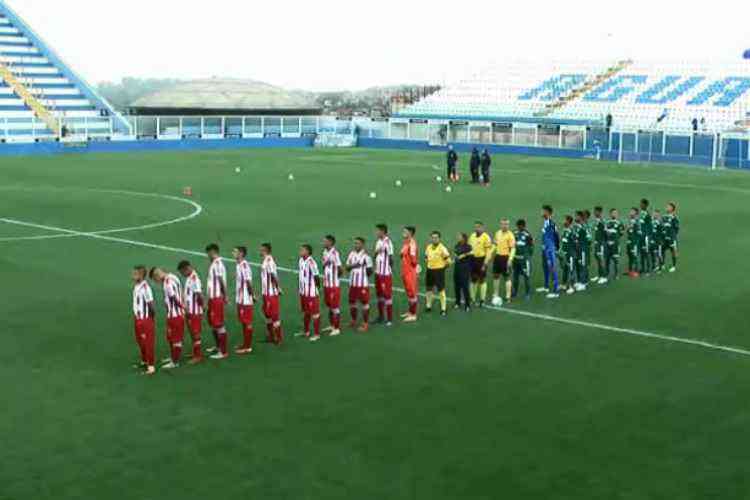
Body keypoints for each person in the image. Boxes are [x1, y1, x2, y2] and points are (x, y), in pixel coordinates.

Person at [149, 267, 184, 370]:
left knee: (175, 339)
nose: (157, 282)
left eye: (155, 279)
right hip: (174, 314)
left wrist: (182, 307)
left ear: (157, 275)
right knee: (171, 337)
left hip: (175, 315)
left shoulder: (167, 282)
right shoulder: (173, 276)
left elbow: (173, 297)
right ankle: (173, 357)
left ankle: (175, 362)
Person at [205, 243, 229, 360]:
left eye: (208, 253)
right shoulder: (214, 264)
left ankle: (223, 351)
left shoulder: (217, 264)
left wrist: (225, 296)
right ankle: (218, 346)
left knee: (219, 324)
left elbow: (220, 280)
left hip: (216, 298)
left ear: (213, 252)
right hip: (212, 298)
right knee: (213, 323)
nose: (207, 255)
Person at [178, 260, 204, 364]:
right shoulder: (190, 278)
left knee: (196, 333)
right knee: (192, 332)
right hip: (190, 311)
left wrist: (202, 306)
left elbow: (199, 295)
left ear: (187, 268)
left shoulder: (194, 278)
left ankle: (198, 356)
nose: (182, 275)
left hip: (195, 311)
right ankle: (195, 352)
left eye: (182, 272)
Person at [131, 265, 156, 376]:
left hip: (145, 320)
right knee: (140, 341)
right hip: (138, 319)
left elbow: (151, 305)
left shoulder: (146, 287)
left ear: (141, 275)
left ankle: (151, 366)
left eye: (135, 273)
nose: (133, 275)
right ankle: (144, 360)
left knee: (147, 342)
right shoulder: (137, 286)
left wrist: (150, 320)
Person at [346, 237, 374, 332]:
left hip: (362, 284)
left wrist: (363, 275)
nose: (356, 245)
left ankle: (365, 323)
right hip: (352, 283)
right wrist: (354, 265)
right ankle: (353, 320)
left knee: (364, 303)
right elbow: (347, 267)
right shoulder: (351, 254)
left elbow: (370, 271)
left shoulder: (366, 256)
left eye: (358, 243)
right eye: (355, 243)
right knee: (352, 302)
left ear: (362, 245)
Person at [260, 243, 284, 345]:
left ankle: (278, 338)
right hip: (266, 293)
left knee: (274, 316)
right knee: (267, 315)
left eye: (261, 249)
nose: (260, 251)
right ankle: (270, 336)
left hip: (271, 293)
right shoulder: (265, 260)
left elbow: (273, 276)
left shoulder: (269, 261)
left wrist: (278, 288)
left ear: (265, 250)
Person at [233, 246, 255, 355]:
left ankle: (248, 347)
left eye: (235, 252)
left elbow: (248, 282)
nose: (233, 253)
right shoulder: (239, 265)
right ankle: (245, 344)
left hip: (245, 299)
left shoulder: (244, 266)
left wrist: (252, 295)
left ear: (241, 253)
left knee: (247, 322)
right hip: (241, 299)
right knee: (244, 322)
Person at [298, 244, 322, 342]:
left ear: (307, 251)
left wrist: (317, 288)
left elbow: (316, 276)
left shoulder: (311, 262)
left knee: (315, 313)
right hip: (303, 291)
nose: (300, 251)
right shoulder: (300, 260)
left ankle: (317, 334)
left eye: (302, 250)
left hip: (311, 292)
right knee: (306, 312)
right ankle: (306, 331)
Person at [424, 231, 451, 316]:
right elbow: (426, 257)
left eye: (436, 237)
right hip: (430, 270)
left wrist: (444, 267)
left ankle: (443, 308)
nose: (434, 239)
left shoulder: (442, 248)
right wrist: (428, 262)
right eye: (433, 237)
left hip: (439, 271)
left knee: (441, 290)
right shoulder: (428, 247)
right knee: (429, 289)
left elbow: (448, 261)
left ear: (439, 238)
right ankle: (428, 306)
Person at [490, 218, 516, 305]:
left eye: (506, 224)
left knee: (507, 277)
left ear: (508, 225)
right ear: (501, 224)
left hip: (506, 257)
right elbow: (495, 245)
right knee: (496, 276)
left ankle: (508, 296)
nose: (504, 226)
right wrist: (490, 254)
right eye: (503, 224)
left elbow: (513, 249)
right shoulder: (497, 233)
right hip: (498, 257)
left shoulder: (510, 235)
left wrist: (510, 259)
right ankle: (495, 294)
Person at [321, 235, 343, 336]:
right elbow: (324, 265)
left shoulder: (335, 253)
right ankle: (331, 325)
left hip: (333, 285)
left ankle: (337, 328)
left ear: (330, 242)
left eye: (325, 241)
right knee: (329, 305)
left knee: (335, 306)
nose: (323, 243)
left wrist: (335, 278)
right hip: (326, 284)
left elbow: (340, 269)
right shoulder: (325, 252)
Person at [374, 224, 395, 326]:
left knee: (387, 295)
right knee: (379, 295)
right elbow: (375, 255)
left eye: (378, 231)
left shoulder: (388, 242)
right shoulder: (378, 241)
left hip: (385, 273)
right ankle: (381, 316)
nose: (376, 232)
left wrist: (389, 269)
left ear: (383, 231)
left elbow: (391, 258)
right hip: (378, 272)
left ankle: (389, 319)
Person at [468, 222, 492, 307]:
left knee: (482, 280)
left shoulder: (486, 237)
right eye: (476, 227)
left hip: (481, 260)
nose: (477, 229)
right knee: (473, 279)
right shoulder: (472, 236)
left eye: (479, 227)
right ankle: (472, 298)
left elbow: (489, 252)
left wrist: (485, 263)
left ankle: (482, 299)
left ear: (482, 228)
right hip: (473, 260)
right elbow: (469, 248)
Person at [539, 205, 560, 298]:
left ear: (548, 213)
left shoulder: (551, 224)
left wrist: (555, 248)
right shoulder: (545, 222)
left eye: (543, 211)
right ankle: (546, 286)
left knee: (552, 268)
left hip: (550, 249)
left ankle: (556, 291)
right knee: (545, 267)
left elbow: (556, 236)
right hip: (545, 249)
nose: (542, 212)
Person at [400, 226, 420, 322]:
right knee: (408, 292)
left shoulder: (412, 243)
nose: (403, 232)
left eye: (405, 231)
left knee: (412, 292)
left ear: (410, 233)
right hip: (405, 270)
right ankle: (410, 311)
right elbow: (402, 254)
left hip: (410, 271)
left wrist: (415, 268)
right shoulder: (406, 242)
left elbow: (413, 259)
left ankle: (413, 314)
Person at [512, 219, 534, 300]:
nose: (520, 227)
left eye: (521, 226)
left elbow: (531, 247)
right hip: (516, 259)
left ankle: (527, 293)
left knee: (526, 276)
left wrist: (527, 256)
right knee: (515, 276)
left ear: (524, 226)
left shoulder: (527, 235)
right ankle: (514, 292)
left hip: (524, 260)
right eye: (518, 226)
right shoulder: (514, 234)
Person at [602, 209, 624, 283]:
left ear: (617, 214)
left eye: (616, 213)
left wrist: (615, 238)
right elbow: (604, 233)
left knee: (616, 259)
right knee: (607, 260)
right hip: (608, 244)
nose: (614, 214)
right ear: (610, 214)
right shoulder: (607, 223)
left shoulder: (620, 223)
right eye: (613, 213)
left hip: (615, 244)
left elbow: (621, 233)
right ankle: (606, 274)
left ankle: (616, 274)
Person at [453, 233, 473, 311]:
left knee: (465, 287)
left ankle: (467, 305)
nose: (458, 237)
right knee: (457, 287)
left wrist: (463, 255)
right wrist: (456, 257)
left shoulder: (468, 247)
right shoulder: (457, 245)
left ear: (464, 238)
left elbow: (472, 253)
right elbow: (455, 254)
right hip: (457, 269)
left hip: (465, 269)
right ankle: (457, 302)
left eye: (459, 237)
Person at [559, 215, 577, 295]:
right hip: (565, 254)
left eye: (565, 220)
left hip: (570, 254)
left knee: (571, 270)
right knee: (565, 269)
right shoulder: (564, 230)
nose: (563, 222)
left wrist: (573, 253)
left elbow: (575, 243)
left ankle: (572, 287)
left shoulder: (571, 231)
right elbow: (563, 242)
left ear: (568, 222)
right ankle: (564, 285)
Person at [573, 211, 590, 291]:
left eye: (577, 216)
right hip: (577, 249)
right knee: (579, 265)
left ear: (580, 217)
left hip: (583, 249)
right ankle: (582, 281)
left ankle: (583, 283)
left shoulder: (584, 227)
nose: (575, 218)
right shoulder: (576, 227)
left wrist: (583, 245)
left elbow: (589, 238)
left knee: (583, 265)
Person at [662, 202, 680, 272]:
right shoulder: (664, 217)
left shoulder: (674, 217)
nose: (667, 208)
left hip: (672, 238)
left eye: (668, 207)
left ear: (672, 209)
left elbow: (677, 228)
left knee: (673, 251)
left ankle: (673, 266)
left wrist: (673, 236)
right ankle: (662, 264)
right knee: (662, 250)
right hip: (664, 237)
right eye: (667, 206)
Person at [638, 198, 654, 275]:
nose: (640, 205)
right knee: (641, 252)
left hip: (645, 237)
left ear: (645, 205)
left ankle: (648, 269)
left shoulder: (647, 215)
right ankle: (642, 268)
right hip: (640, 237)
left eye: (641, 204)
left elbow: (650, 227)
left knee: (646, 252)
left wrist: (649, 237)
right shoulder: (641, 213)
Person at [592, 206, 607, 283]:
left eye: (596, 211)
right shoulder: (597, 221)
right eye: (594, 211)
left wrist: (602, 242)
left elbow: (605, 233)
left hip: (601, 243)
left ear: (600, 212)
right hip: (597, 243)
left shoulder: (602, 221)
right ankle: (599, 275)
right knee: (597, 258)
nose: (594, 213)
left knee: (601, 259)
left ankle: (604, 277)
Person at [626, 208, 642, 278]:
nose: (630, 212)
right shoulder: (630, 221)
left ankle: (636, 271)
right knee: (630, 256)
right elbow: (629, 231)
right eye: (630, 211)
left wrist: (636, 241)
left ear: (636, 214)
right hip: (629, 242)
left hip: (634, 242)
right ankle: (630, 270)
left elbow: (639, 233)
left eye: (632, 211)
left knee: (634, 256)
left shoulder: (637, 222)